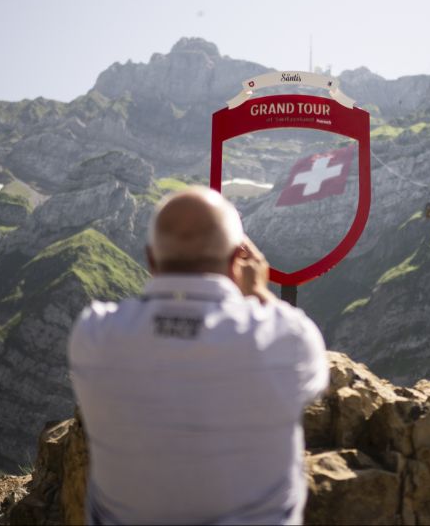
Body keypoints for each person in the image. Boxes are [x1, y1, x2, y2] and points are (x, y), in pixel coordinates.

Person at [68, 185, 329, 525]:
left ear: (151, 260)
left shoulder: (95, 334)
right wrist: (258, 292)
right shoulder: (286, 338)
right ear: (236, 262)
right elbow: (314, 379)